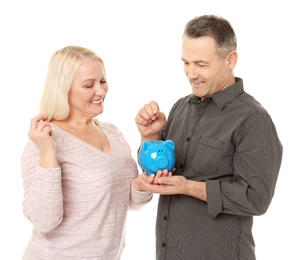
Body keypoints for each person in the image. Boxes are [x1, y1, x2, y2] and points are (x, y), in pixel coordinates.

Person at [134, 15, 283, 260]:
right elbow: (160, 169)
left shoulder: (253, 119)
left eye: (201, 64)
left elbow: (256, 199)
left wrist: (187, 187)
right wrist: (148, 137)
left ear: (230, 60)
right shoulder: (180, 108)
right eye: (186, 63)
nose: (191, 74)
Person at [21, 46, 153, 260]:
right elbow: (44, 221)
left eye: (102, 81)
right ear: (63, 89)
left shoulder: (112, 132)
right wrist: (47, 154)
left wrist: (146, 167)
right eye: (88, 85)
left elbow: (132, 201)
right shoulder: (44, 140)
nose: (100, 91)